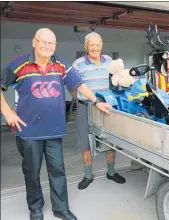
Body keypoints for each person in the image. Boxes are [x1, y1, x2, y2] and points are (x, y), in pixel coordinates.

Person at [0, 28, 112, 220]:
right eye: (43, 42)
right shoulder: (20, 64)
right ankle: (35, 209)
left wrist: (96, 101)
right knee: (32, 173)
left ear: (55, 46)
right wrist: (7, 112)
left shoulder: (60, 64)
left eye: (51, 43)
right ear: (34, 42)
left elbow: (78, 85)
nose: (47, 46)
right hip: (28, 132)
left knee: (58, 171)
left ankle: (61, 208)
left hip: (54, 130)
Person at [72, 32, 126, 190]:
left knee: (110, 139)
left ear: (101, 45)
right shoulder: (78, 63)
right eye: (91, 45)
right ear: (86, 46)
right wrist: (80, 99)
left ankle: (111, 172)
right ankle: (88, 175)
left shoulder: (109, 61)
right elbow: (73, 86)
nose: (95, 48)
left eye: (97, 45)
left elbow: (117, 80)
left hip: (107, 106)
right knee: (84, 142)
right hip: (85, 107)